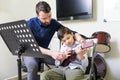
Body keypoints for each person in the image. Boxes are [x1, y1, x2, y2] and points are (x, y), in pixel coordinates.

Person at [23, 1, 84, 80]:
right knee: (33, 65)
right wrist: (51, 53)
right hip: (31, 52)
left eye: (49, 16)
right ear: (38, 16)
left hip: (45, 53)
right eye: (44, 18)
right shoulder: (30, 24)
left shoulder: (53, 23)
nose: (48, 20)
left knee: (60, 60)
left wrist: (79, 37)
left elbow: (68, 31)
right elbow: (31, 45)